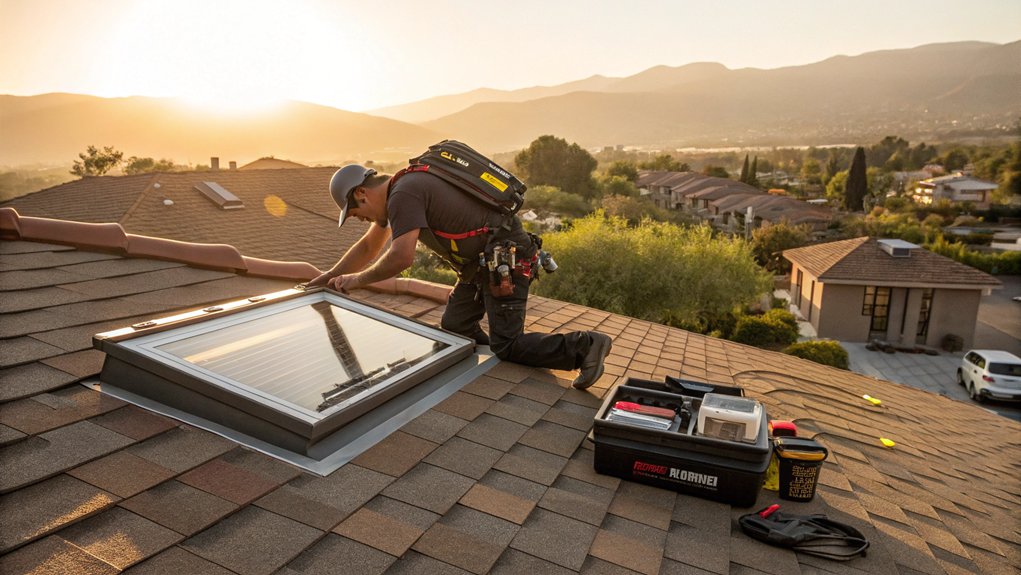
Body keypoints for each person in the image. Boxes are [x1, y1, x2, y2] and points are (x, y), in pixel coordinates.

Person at [307, 163, 612, 389]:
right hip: (479, 266)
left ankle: (585, 345)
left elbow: (401, 257)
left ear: (362, 193)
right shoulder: (403, 188)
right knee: (456, 326)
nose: (361, 220)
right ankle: (495, 361)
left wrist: (356, 281)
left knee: (508, 345)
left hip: (505, 260)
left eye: (356, 213)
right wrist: (331, 275)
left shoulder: (404, 194)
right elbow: (369, 247)